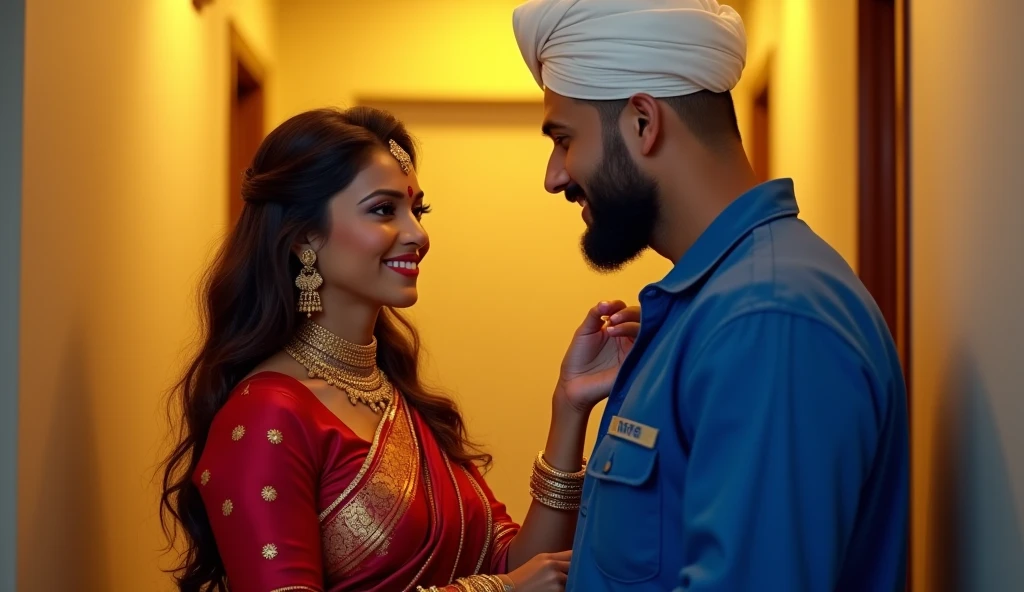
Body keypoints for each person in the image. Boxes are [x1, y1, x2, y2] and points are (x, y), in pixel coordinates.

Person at [511, 1, 909, 591]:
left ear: (643, 122)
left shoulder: (768, 318)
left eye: (564, 139)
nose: (555, 175)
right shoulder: (707, 308)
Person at [159, 106, 642, 592]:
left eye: (417, 210)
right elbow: (512, 583)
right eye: (384, 209)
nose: (418, 234)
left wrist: (570, 405)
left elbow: (519, 564)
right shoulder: (267, 416)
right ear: (306, 234)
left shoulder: (397, 398)